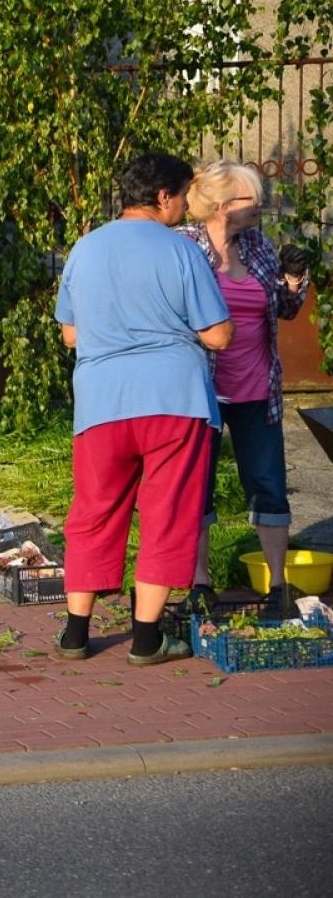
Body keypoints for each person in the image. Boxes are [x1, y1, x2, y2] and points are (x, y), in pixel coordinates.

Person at [53, 152, 233, 666]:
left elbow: (70, 334)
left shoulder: (84, 249)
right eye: (180, 195)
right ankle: (148, 638)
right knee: (167, 513)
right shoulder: (181, 252)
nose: (183, 206)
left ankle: (75, 632)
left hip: (101, 402)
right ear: (162, 197)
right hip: (174, 401)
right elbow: (217, 334)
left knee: (93, 511)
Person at [174, 160, 309, 618]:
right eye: (253, 199)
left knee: (269, 486)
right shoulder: (183, 247)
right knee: (198, 488)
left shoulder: (257, 245)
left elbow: (285, 308)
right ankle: (199, 583)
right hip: (199, 391)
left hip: (257, 389)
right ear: (222, 206)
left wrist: (293, 278)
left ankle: (279, 588)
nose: (262, 207)